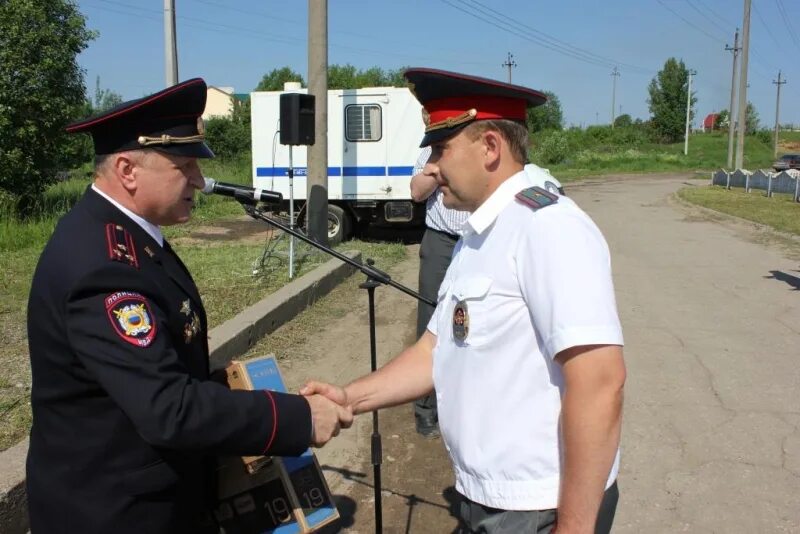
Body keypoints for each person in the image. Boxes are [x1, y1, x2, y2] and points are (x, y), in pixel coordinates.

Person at [303, 68, 626, 534]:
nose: (431, 166)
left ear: (490, 147)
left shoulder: (548, 228)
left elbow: (601, 383)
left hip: (538, 505)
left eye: (441, 150)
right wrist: (350, 397)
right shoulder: (477, 232)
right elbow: (434, 352)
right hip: (490, 499)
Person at [25, 78, 352, 534]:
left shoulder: (129, 238)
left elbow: (151, 371)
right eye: (183, 165)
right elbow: (168, 409)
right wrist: (296, 418)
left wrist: (233, 390)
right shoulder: (101, 266)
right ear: (127, 170)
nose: (199, 180)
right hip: (114, 512)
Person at [409, 108, 470, 438]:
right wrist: (440, 165)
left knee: (474, 322)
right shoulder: (426, 153)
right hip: (440, 242)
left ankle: (466, 404)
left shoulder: (470, 147)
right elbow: (417, 193)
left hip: (475, 240)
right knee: (430, 320)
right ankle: (425, 410)